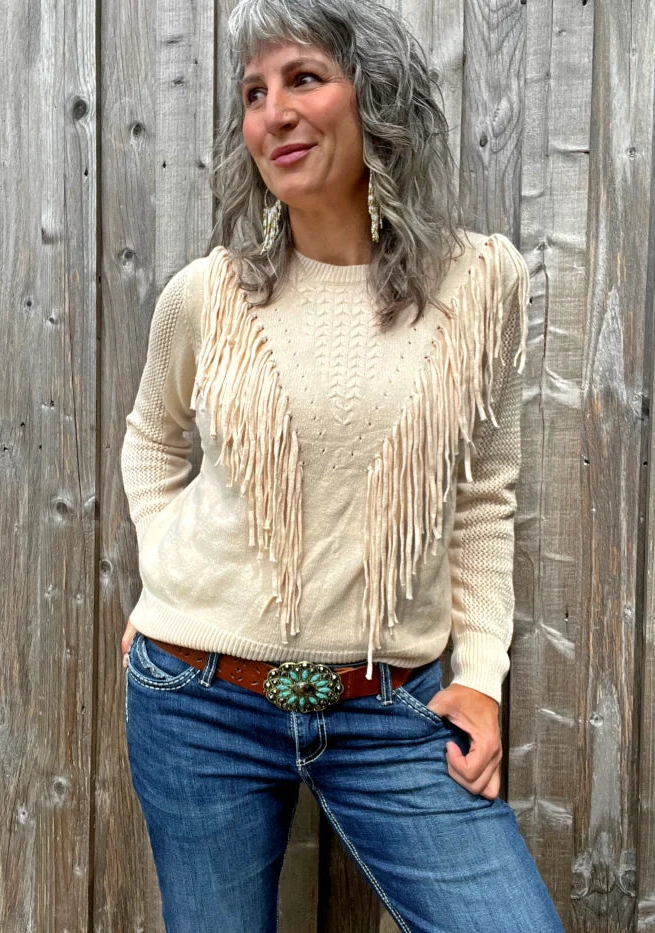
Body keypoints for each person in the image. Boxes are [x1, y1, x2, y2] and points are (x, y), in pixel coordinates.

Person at [119, 0, 565, 930]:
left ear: (380, 97)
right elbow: (153, 439)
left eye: (304, 79)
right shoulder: (208, 295)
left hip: (390, 709)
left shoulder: (481, 284)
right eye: (253, 92)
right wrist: (167, 573)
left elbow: (483, 495)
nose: (273, 112)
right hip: (197, 701)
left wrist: (480, 674)